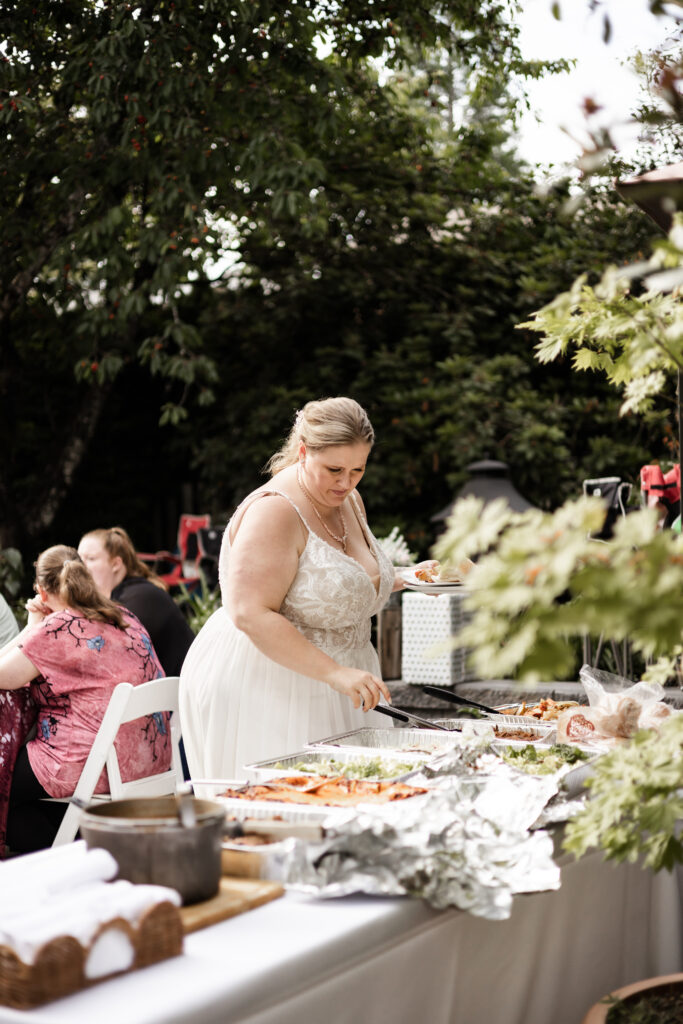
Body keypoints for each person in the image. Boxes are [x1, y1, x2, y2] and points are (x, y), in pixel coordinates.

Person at [179, 396, 436, 780]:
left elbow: (337, 581)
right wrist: (334, 673)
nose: (346, 482)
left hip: (343, 678)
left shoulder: (348, 498)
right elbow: (249, 611)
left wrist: (411, 576)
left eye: (358, 469)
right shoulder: (275, 511)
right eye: (334, 468)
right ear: (302, 451)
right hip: (272, 681)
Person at [0, 545, 170, 854]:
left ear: (41, 590)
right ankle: (82, 848)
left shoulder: (60, 626)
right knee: (20, 800)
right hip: (146, 762)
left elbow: (3, 676)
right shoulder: (123, 615)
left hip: (93, 763)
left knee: (4, 782)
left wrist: (32, 624)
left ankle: (75, 859)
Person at [77, 526, 195, 679]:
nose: (80, 566)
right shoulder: (132, 593)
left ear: (116, 564)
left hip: (186, 694)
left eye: (91, 559)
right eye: (80, 559)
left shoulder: (139, 599)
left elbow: (103, 654)